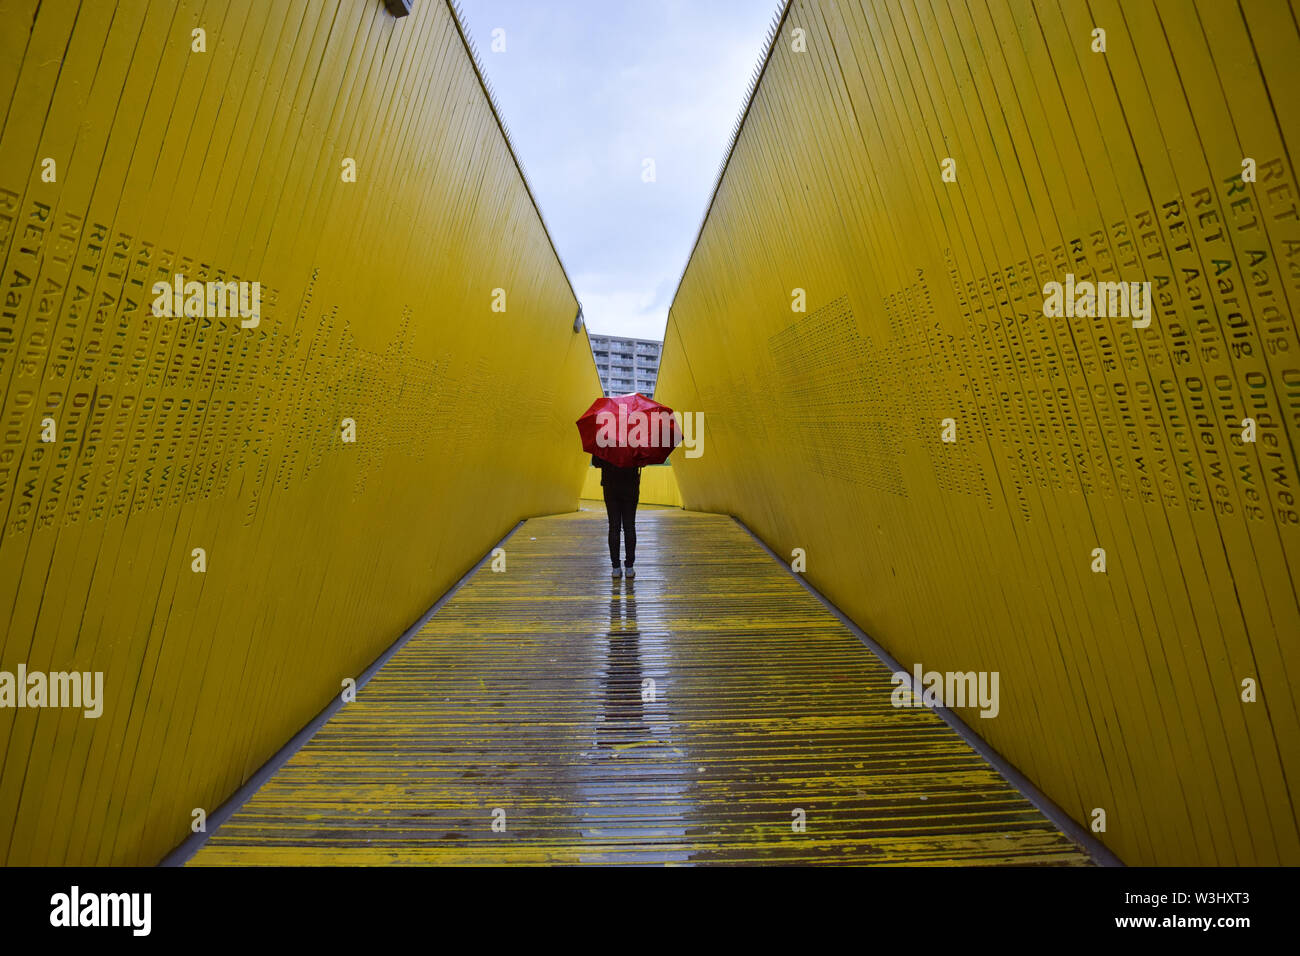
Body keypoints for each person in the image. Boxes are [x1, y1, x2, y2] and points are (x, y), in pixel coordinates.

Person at [591, 453, 641, 578]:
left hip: (610, 485)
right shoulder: (636, 436)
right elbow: (643, 461)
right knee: (629, 526)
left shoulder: (604, 436)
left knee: (614, 527)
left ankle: (616, 568)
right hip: (631, 485)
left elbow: (596, 462)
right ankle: (629, 568)